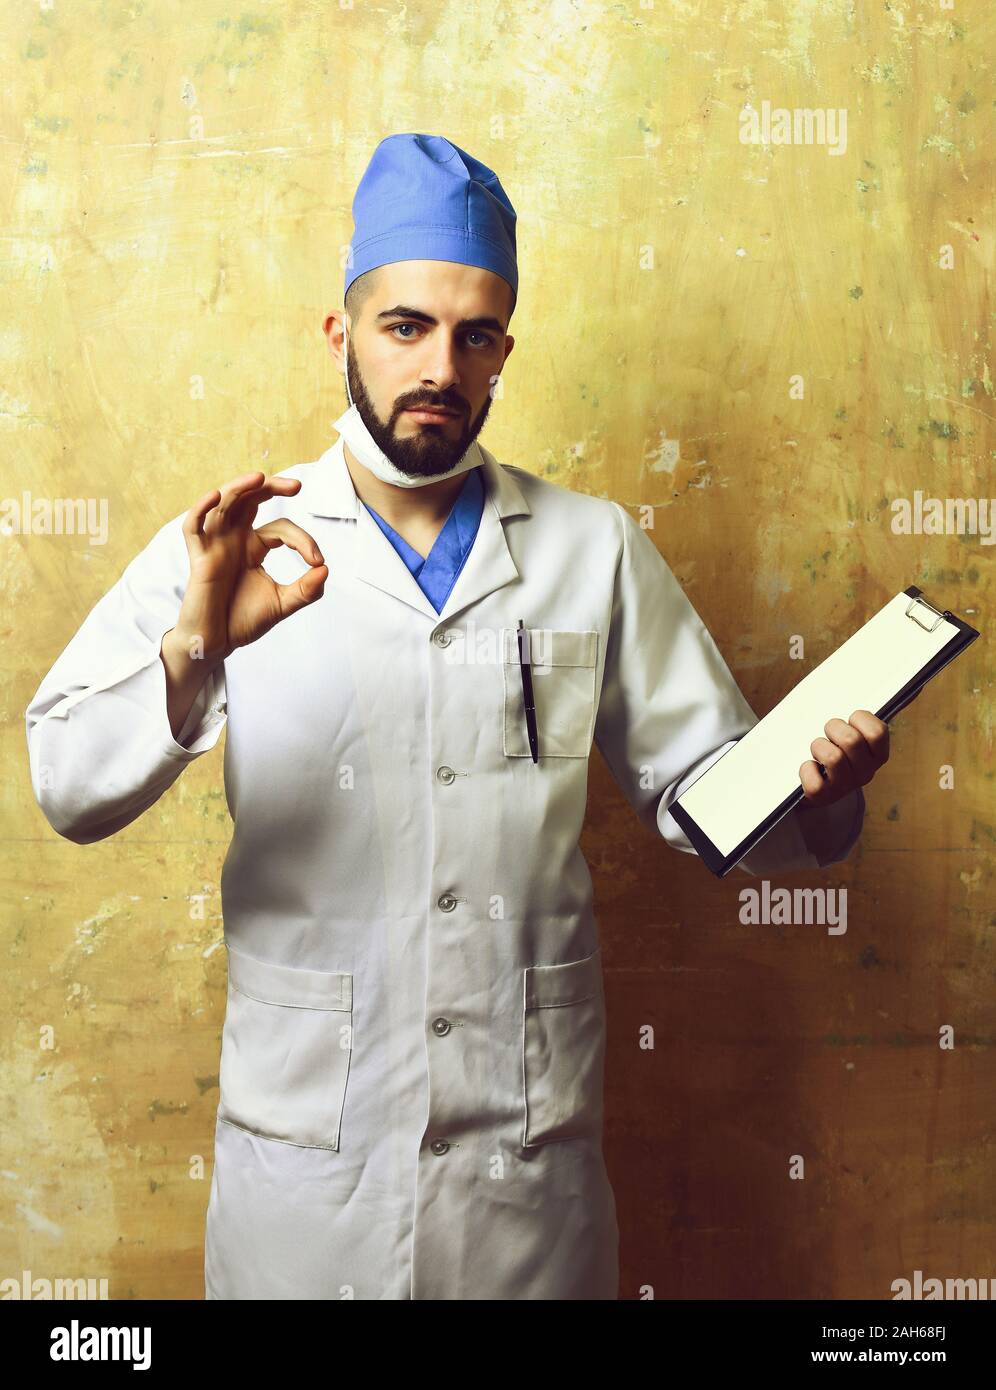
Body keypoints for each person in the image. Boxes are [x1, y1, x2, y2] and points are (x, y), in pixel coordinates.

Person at [24, 133, 889, 1300]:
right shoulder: (232, 548)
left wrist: (819, 796)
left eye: (475, 334)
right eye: (405, 327)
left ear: (505, 353)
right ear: (341, 336)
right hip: (306, 1189)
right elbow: (66, 783)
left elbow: (711, 795)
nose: (441, 365)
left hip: (525, 1189)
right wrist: (197, 650)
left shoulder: (592, 549)